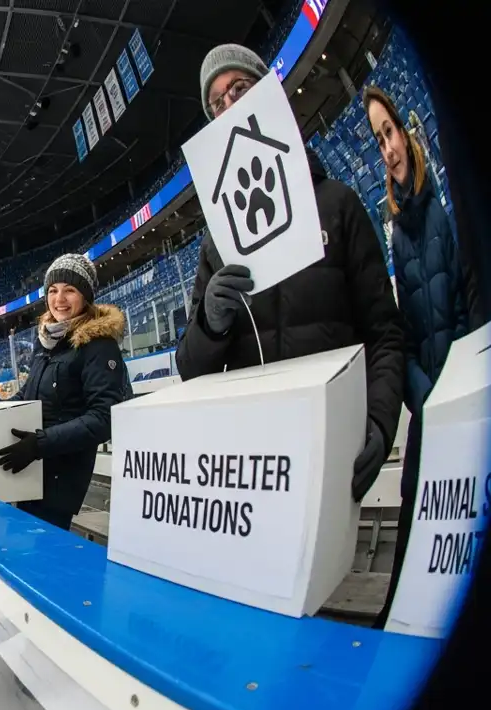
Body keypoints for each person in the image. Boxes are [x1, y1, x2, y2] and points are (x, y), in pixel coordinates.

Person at [180, 44, 406, 504]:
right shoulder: (217, 242)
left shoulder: (338, 204)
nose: (229, 105)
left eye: (239, 88)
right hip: (257, 459)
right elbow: (190, 370)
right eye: (216, 104)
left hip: (332, 442)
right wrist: (210, 323)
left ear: (268, 91)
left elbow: (384, 333)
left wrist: (380, 423)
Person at [362, 85, 478, 628]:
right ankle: (397, 620)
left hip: (463, 398)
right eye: (377, 138)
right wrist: (420, 394)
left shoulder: (445, 207)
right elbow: (403, 328)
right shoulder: (397, 232)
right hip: (429, 404)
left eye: (390, 132)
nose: (387, 147)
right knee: (414, 507)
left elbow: (464, 307)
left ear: (408, 133)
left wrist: (452, 389)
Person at [0, 253, 130, 531]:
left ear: (85, 296)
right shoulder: (46, 341)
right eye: (53, 291)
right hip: (29, 472)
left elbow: (104, 418)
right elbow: (29, 395)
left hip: (60, 480)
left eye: (70, 290)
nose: (60, 299)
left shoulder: (99, 346)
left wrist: (39, 444)